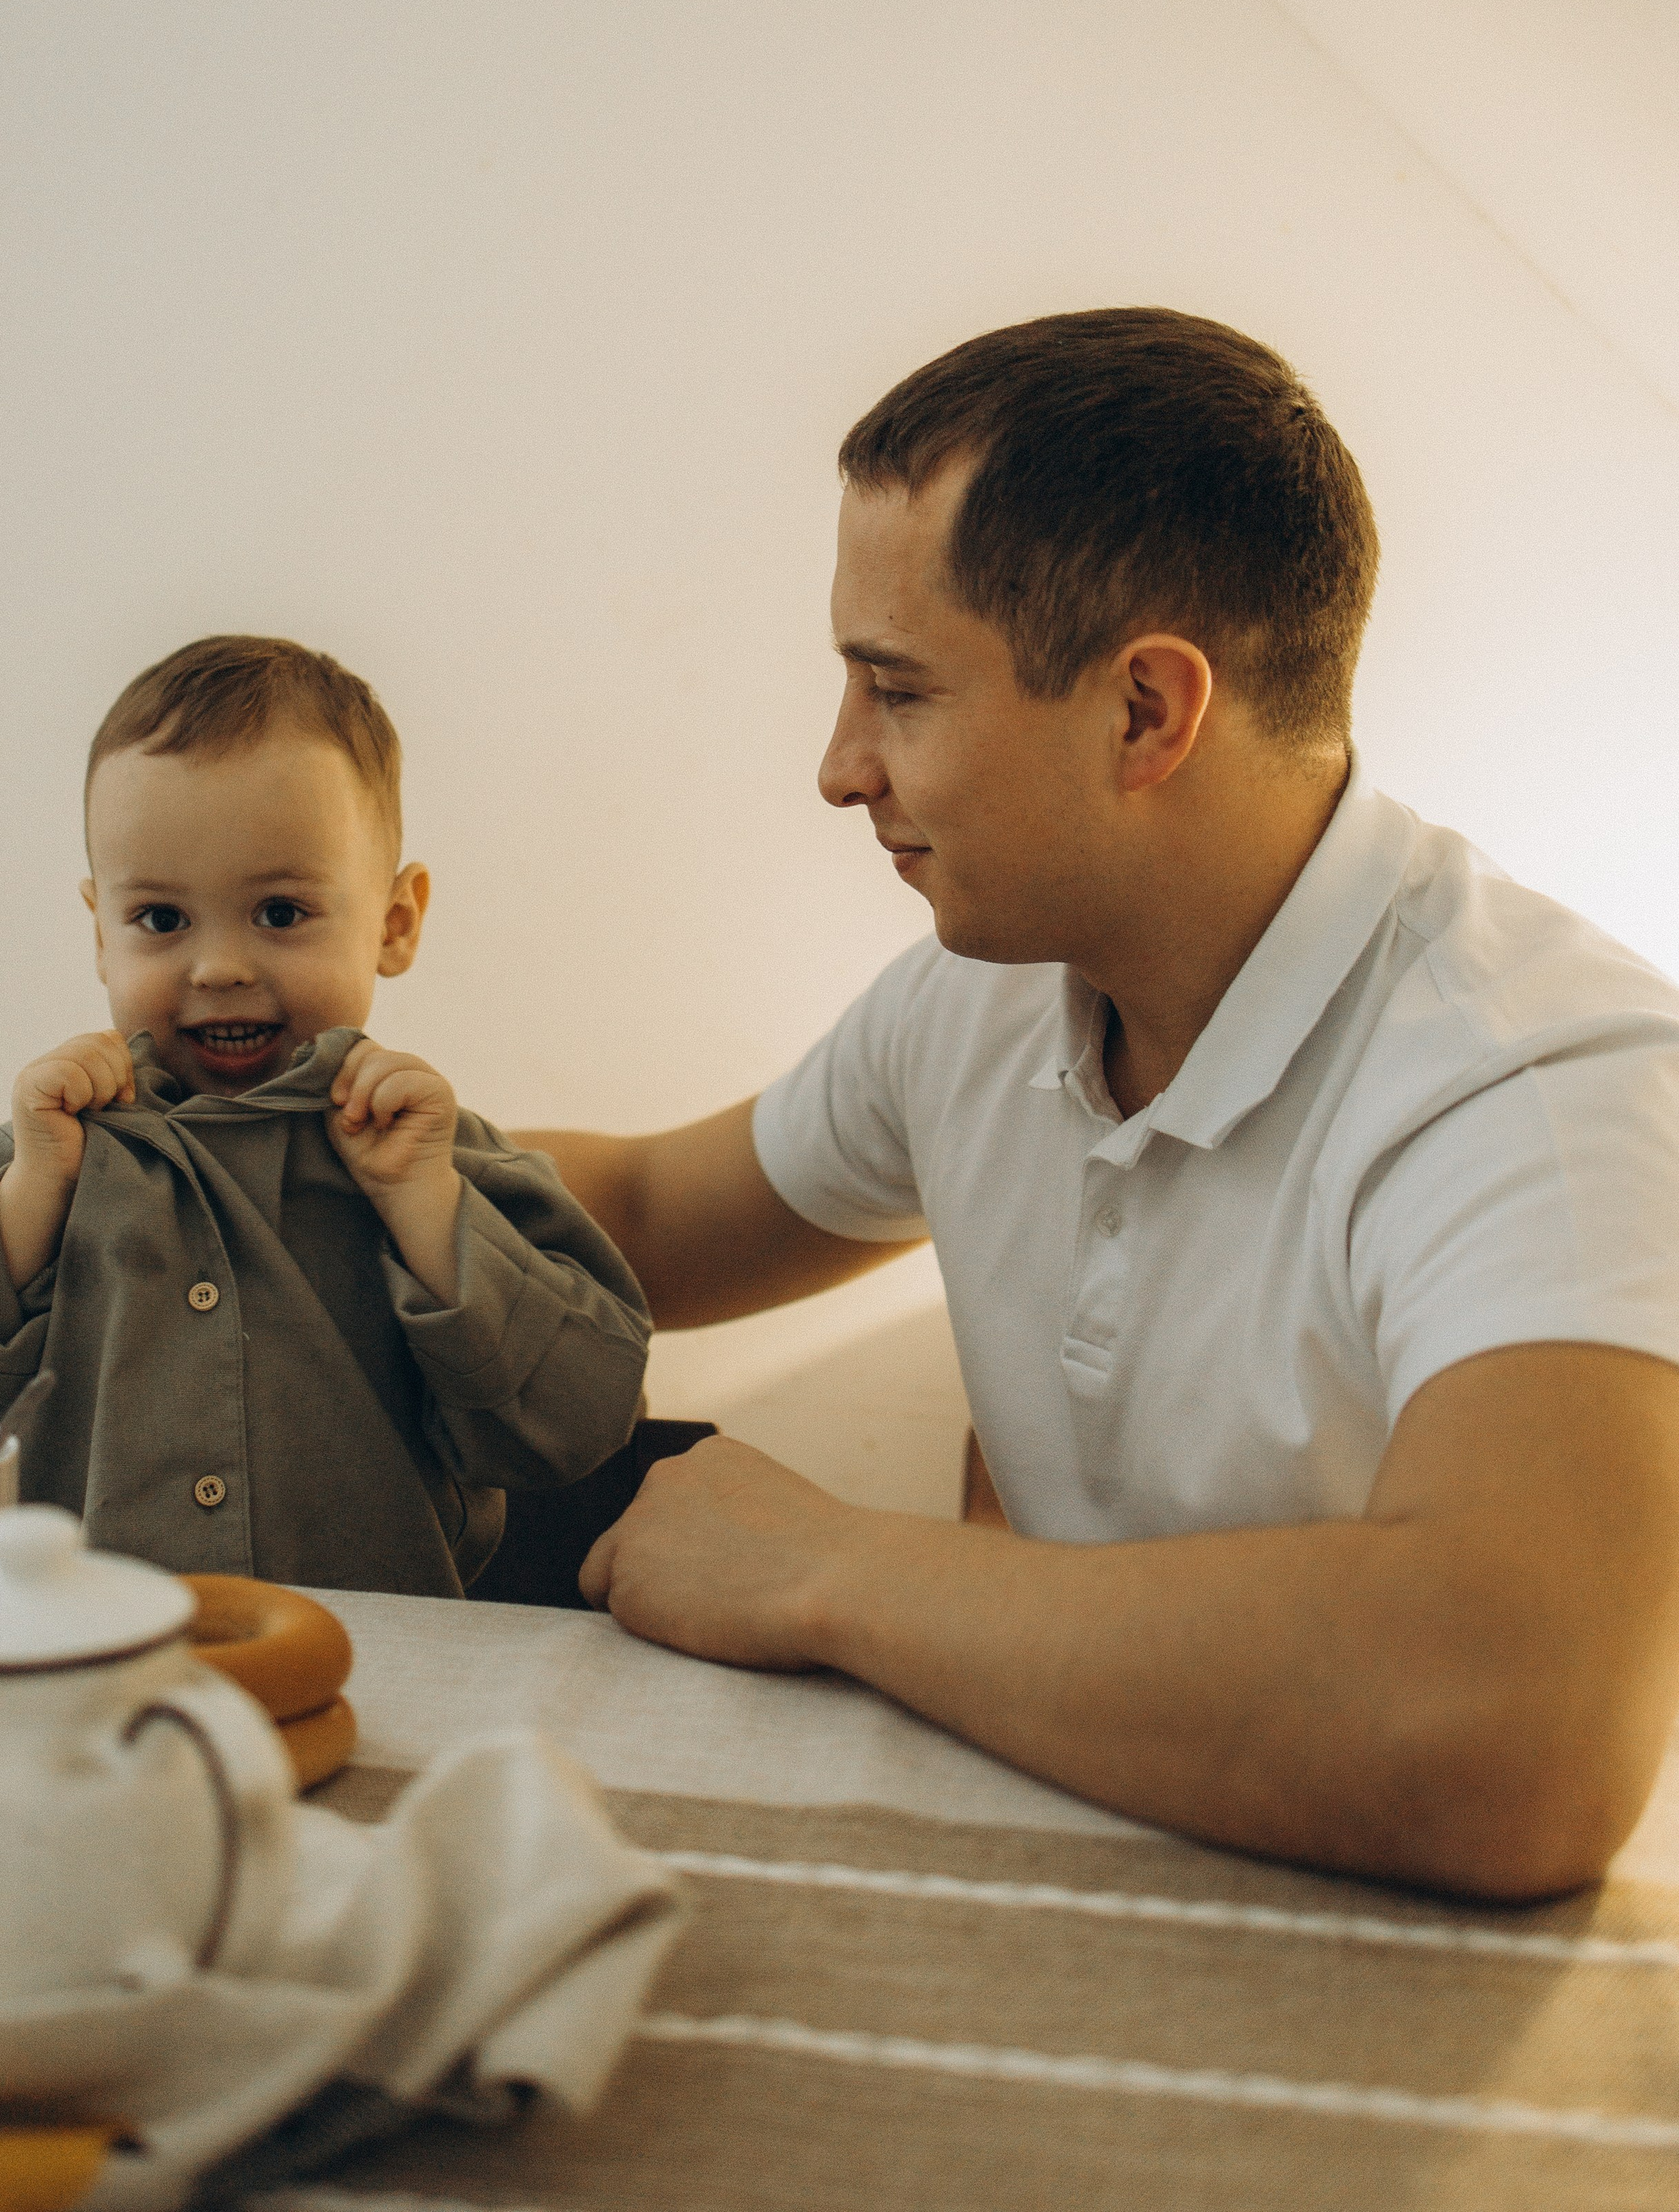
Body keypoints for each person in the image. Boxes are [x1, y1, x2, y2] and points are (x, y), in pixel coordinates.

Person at [529, 308, 1679, 1900]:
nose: (837, 767)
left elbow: (1514, 1729)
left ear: (1144, 711)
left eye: (896, 691)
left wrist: (827, 1572)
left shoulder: (1534, 1085)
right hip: (1071, 1888)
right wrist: (233, 1138)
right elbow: (642, 1222)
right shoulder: (980, 991)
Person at [0, 636, 650, 1592]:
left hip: (371, 1668)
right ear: (102, 934)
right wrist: (24, 1211)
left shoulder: (444, 1163)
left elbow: (587, 1425)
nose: (218, 967)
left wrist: (432, 1215)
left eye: (279, 912)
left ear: (395, 922)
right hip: (77, 1667)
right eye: (163, 921)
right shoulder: (28, 1167)